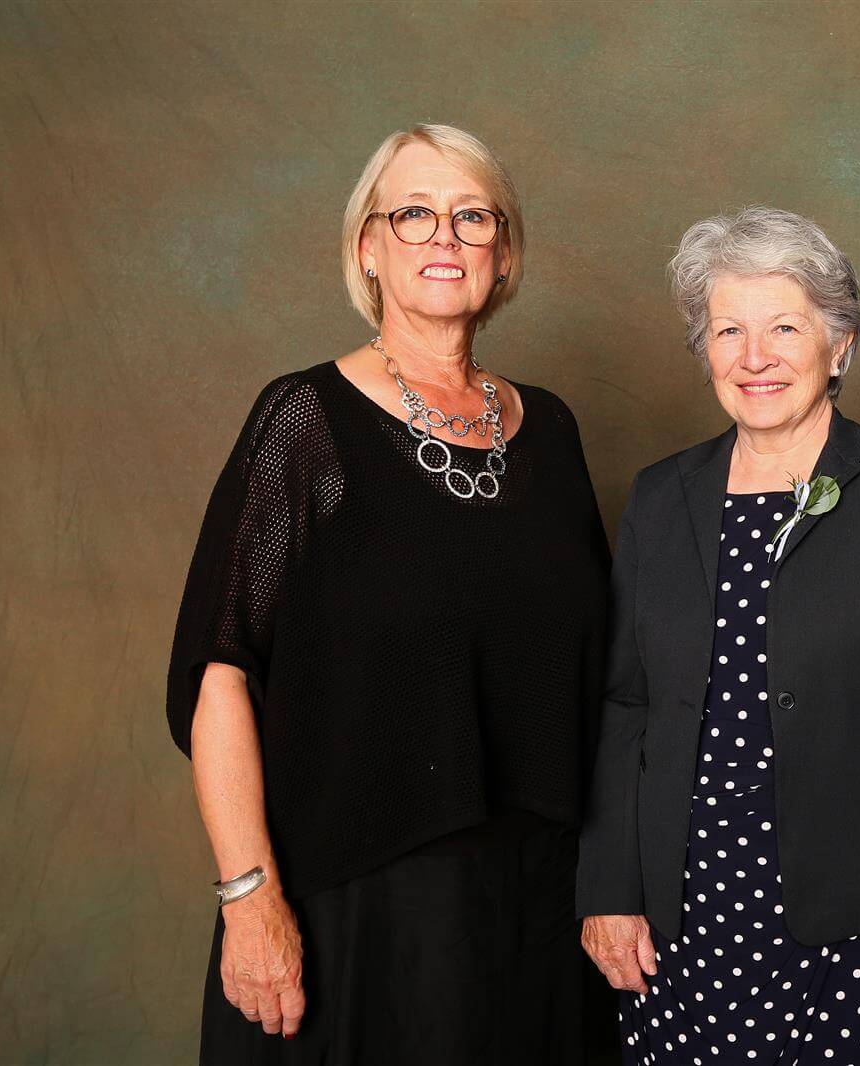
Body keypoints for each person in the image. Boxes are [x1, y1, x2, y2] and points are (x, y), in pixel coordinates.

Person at [166, 123, 609, 1064]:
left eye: (470, 216)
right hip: (359, 908)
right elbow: (218, 674)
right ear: (368, 248)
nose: (443, 238)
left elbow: (598, 682)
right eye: (413, 213)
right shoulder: (306, 423)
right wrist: (250, 902)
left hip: (535, 911)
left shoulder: (554, 432)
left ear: (504, 250)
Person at [578, 206, 860, 1065]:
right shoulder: (661, 498)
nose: (754, 357)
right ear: (705, 351)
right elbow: (625, 707)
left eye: (784, 328)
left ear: (839, 346)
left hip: (859, 928)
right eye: (728, 329)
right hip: (678, 923)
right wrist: (609, 890)